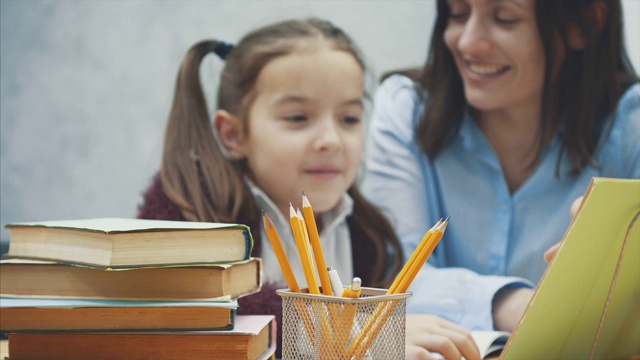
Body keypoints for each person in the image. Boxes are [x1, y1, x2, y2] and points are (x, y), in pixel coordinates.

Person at [137, 18, 480, 359]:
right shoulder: (188, 213)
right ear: (233, 134)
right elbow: (208, 310)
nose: (330, 140)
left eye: (349, 119)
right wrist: (365, 336)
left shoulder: (366, 235)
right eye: (298, 118)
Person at [362, 0, 639, 336]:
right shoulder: (406, 110)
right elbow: (390, 275)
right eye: (457, 14)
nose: (468, 42)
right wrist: (513, 305)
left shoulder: (630, 125)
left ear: (582, 25)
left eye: (505, 18)